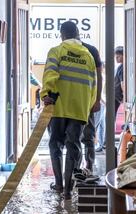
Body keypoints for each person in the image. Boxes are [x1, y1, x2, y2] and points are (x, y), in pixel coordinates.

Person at [40, 21, 97, 200]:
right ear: (78, 33)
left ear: (62, 35)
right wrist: (87, 107)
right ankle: (68, 191)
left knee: (55, 144)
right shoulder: (88, 56)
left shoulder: (56, 51)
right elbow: (93, 86)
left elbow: (50, 75)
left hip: (58, 107)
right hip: (79, 109)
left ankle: (58, 184)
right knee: (74, 146)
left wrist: (45, 94)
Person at [78, 33, 103, 172]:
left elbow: (99, 76)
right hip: (85, 102)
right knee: (85, 137)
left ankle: (87, 167)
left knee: (82, 137)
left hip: (78, 104)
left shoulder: (90, 50)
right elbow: (99, 77)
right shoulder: (91, 50)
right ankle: (86, 167)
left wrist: (98, 100)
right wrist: (97, 99)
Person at [114, 46, 125, 119]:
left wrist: (124, 96)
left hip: (116, 95)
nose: (116, 58)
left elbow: (123, 84)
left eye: (118, 56)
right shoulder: (121, 67)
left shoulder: (122, 67)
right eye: (115, 57)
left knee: (111, 115)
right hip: (116, 95)